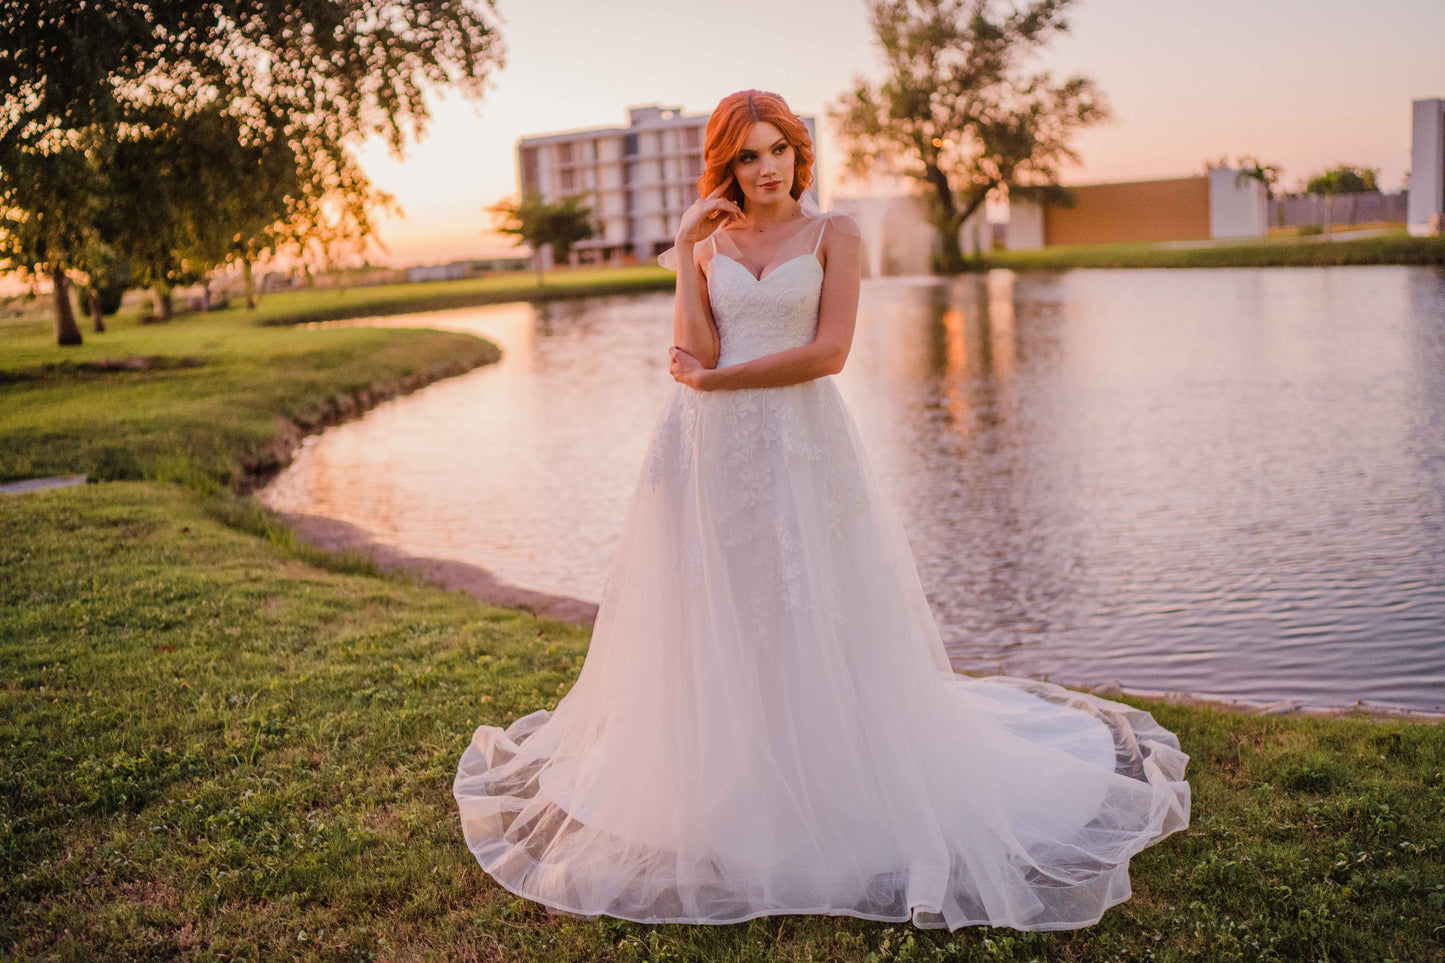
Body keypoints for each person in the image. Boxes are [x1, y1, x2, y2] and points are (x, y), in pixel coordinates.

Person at [453, 89, 1190, 932]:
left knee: (814, 597)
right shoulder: (710, 242)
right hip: (707, 448)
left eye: (775, 151)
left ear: (799, 155)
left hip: (798, 438)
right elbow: (687, 350)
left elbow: (828, 353)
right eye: (744, 157)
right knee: (723, 602)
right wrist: (687, 253)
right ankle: (733, 774)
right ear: (725, 166)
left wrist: (720, 382)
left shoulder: (835, 233)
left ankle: (829, 770)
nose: (763, 170)